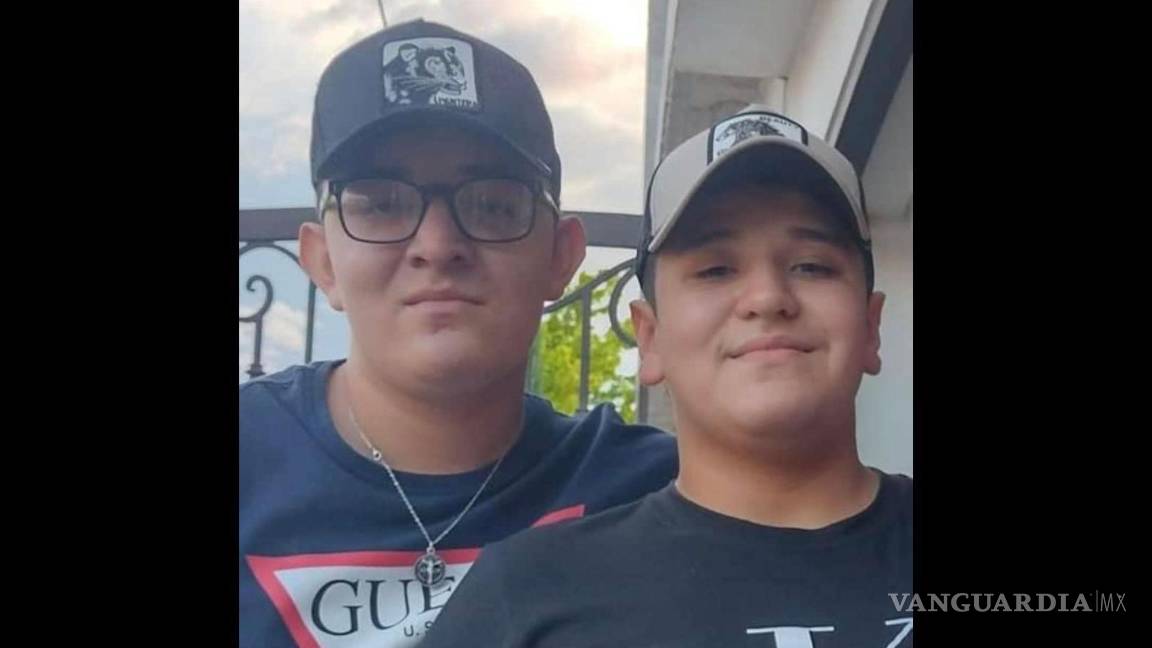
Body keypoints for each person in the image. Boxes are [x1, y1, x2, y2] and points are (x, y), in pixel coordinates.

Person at [239, 19, 678, 647]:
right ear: (323, 261)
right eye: (381, 203)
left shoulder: (649, 490)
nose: (438, 245)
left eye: (493, 204)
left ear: (560, 256)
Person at [422, 105, 912, 647]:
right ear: (650, 338)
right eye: (716, 269)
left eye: (812, 266)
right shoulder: (525, 594)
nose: (768, 297)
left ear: (871, 327)